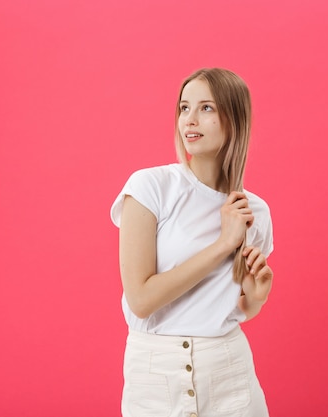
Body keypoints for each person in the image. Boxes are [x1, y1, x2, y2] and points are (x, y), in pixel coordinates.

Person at [110, 68, 274, 417]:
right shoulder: (150, 187)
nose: (190, 119)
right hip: (155, 377)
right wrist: (221, 245)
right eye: (184, 108)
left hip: (230, 372)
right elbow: (141, 300)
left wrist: (255, 300)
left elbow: (234, 308)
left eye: (206, 108)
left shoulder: (253, 211)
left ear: (235, 119)